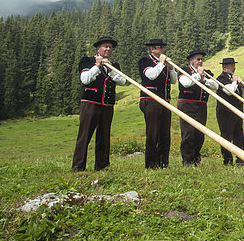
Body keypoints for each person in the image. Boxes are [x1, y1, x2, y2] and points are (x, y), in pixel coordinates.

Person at [72, 36, 127, 171]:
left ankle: (102, 166)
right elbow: (85, 79)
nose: (108, 49)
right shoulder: (87, 61)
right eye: (105, 46)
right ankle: (78, 166)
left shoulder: (114, 66)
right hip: (90, 103)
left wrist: (111, 70)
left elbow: (123, 81)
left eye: (110, 47)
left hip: (107, 105)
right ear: (98, 48)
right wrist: (97, 66)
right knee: (85, 135)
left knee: (104, 136)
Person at [138, 38, 177, 169]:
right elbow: (151, 75)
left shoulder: (165, 64)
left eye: (161, 47)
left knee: (164, 133)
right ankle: (151, 163)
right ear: (151, 49)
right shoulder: (145, 61)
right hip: (150, 100)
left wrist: (171, 69)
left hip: (165, 101)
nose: (159, 50)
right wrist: (161, 63)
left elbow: (174, 81)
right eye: (156, 48)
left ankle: (163, 162)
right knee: (153, 133)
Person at [177, 49, 218, 167]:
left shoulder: (207, 72)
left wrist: (204, 79)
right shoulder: (184, 70)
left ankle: (196, 158)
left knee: (200, 134)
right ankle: (187, 160)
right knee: (188, 133)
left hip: (201, 105)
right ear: (191, 61)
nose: (200, 61)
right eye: (197, 59)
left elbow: (215, 86)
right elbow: (185, 83)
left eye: (201, 59)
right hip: (187, 104)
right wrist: (198, 75)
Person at [215, 57, 244, 166]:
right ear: (225, 67)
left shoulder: (233, 78)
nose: (234, 67)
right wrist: (234, 82)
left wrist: (241, 84)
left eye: (234, 65)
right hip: (225, 112)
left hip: (237, 111)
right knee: (226, 135)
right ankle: (227, 160)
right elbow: (229, 91)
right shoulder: (220, 78)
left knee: (239, 135)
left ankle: (241, 160)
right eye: (231, 65)